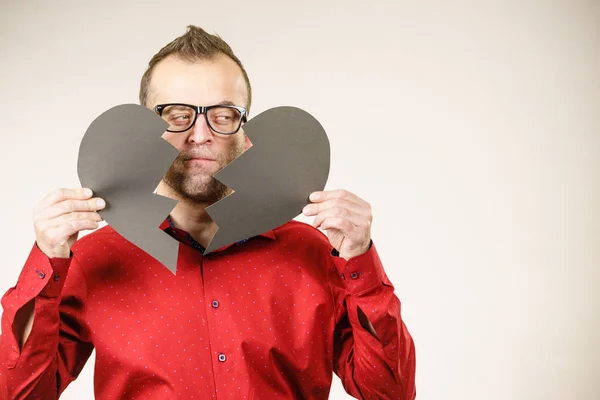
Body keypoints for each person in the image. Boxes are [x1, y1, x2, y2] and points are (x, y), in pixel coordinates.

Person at [0, 26, 416, 399]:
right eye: (177, 115)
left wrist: (360, 259)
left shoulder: (316, 252)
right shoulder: (94, 260)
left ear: (246, 133)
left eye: (223, 115)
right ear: (144, 133)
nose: (200, 135)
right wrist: (47, 260)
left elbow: (390, 394)